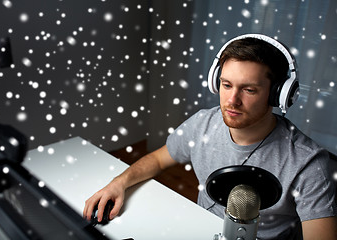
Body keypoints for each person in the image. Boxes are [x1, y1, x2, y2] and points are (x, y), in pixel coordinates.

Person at [83, 34, 337, 239]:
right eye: (226, 85)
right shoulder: (203, 123)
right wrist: (119, 182)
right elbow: (160, 160)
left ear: (278, 95)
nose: (232, 101)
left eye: (249, 90)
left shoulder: (309, 163)